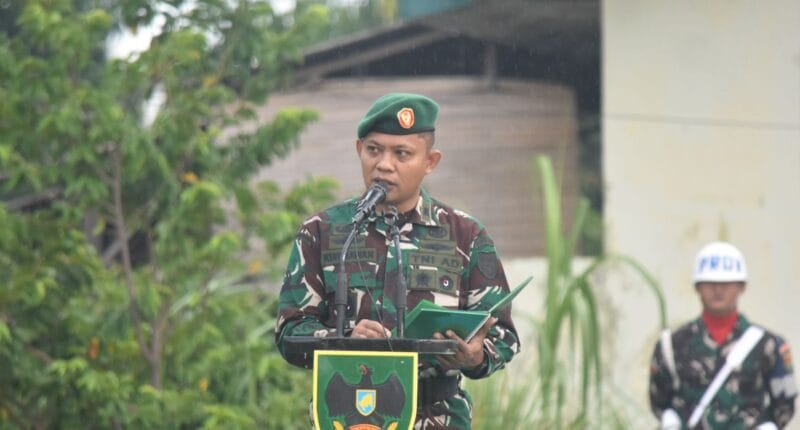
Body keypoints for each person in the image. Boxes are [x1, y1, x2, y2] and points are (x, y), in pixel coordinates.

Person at [275, 92, 520, 429]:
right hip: (347, 415)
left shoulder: (465, 236)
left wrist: (476, 355)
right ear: (359, 150)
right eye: (374, 150)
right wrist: (343, 337)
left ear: (430, 161)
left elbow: (504, 336)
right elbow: (290, 333)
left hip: (438, 417)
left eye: (401, 153)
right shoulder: (322, 231)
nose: (384, 164)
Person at [649, 241, 797, 429]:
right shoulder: (671, 344)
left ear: (741, 287)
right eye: (710, 283)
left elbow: (785, 403)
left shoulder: (768, 345)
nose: (718, 290)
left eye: (726, 284)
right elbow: (659, 399)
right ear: (697, 287)